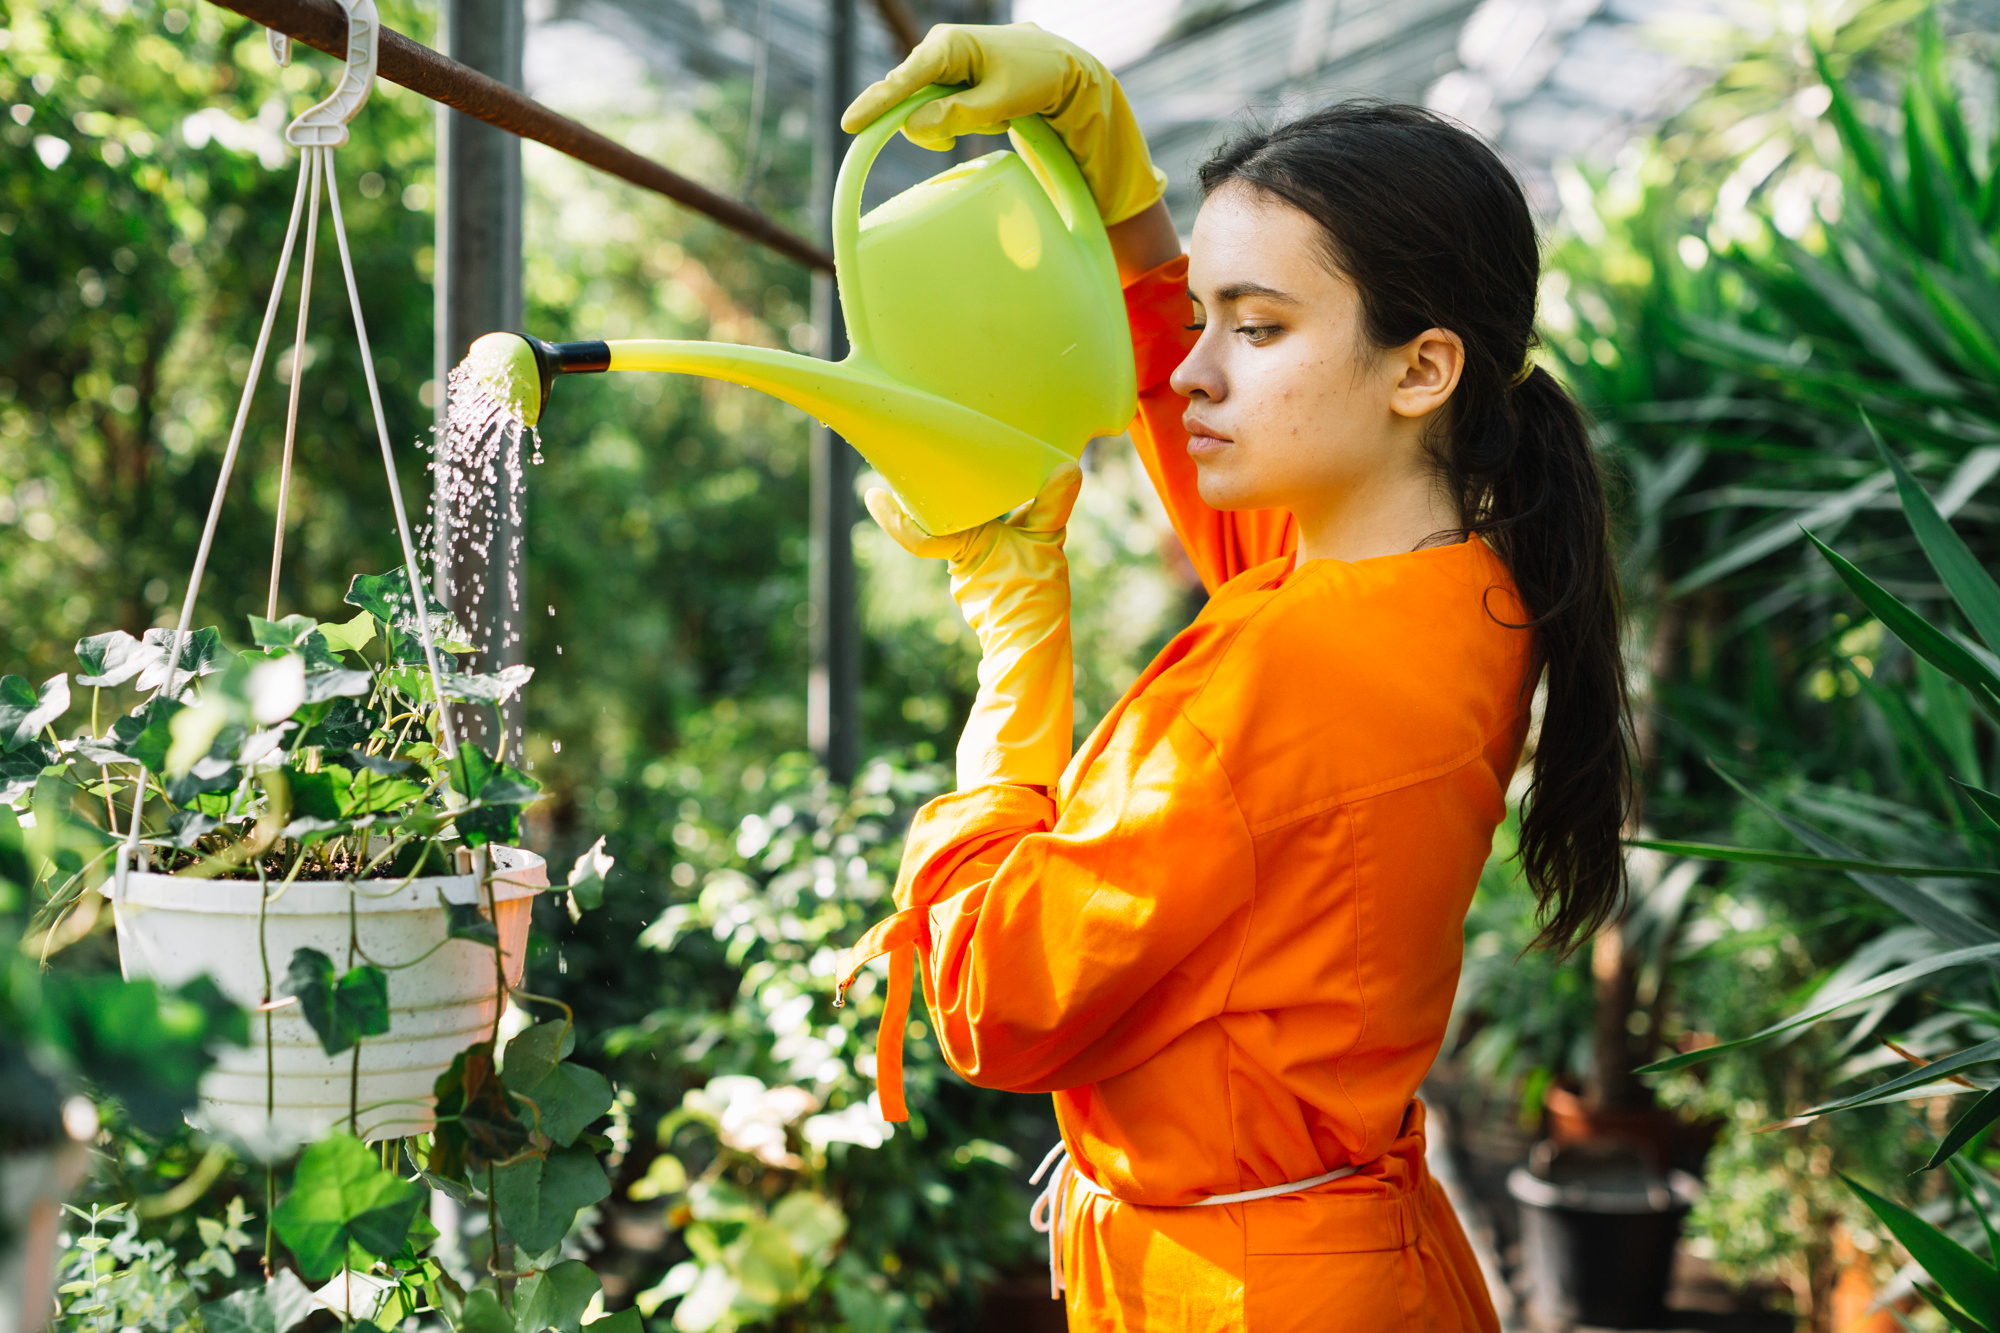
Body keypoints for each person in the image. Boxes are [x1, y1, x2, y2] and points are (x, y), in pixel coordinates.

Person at [834, 23, 1632, 1332]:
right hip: (1339, 1255)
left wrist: (1015, 634)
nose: (1197, 368)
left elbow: (994, 994)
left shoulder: (1287, 664)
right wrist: (1114, 169)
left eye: (1255, 328)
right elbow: (1195, 412)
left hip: (1247, 1295)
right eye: (1203, 315)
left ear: (1421, 368)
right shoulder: (1458, 584)